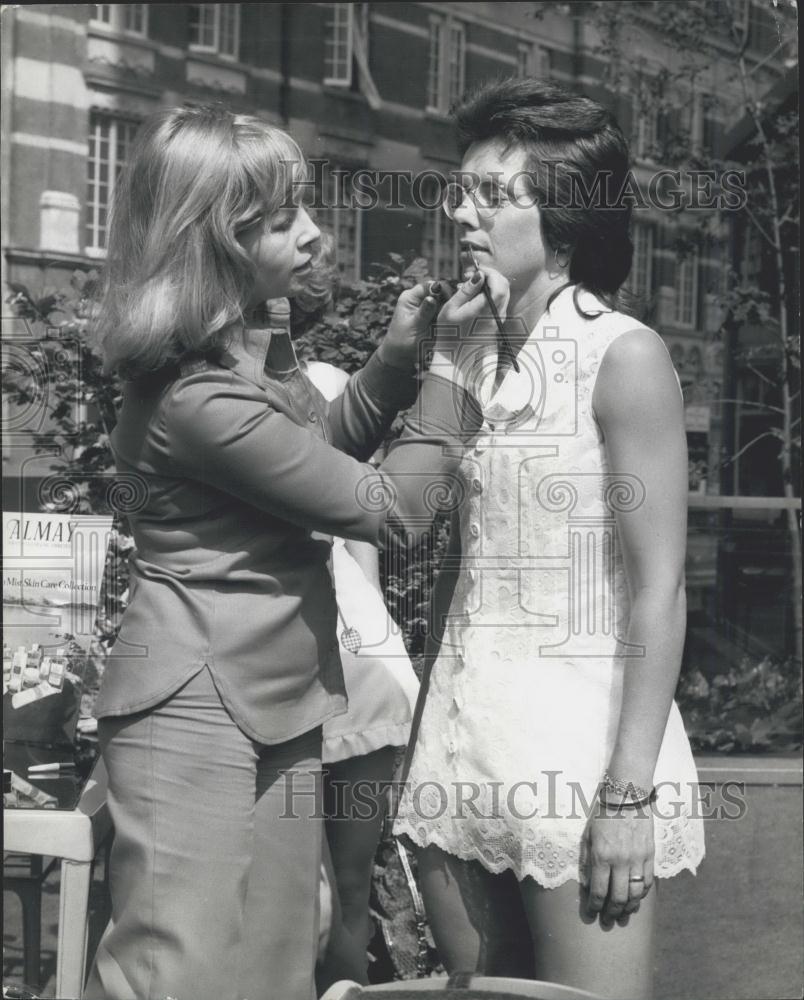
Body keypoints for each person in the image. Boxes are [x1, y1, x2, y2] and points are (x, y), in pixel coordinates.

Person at [83, 105, 505, 1000]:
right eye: (283, 221)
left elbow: (310, 455)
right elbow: (391, 512)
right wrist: (451, 378)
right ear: (216, 244)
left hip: (264, 701)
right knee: (179, 974)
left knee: (276, 967)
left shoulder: (238, 365)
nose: (313, 234)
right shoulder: (198, 397)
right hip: (194, 713)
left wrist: (393, 369)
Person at [394, 78, 706, 999]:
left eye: (495, 194)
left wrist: (627, 794)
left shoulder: (627, 356)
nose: (462, 211)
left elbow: (661, 587)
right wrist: (421, 757)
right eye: (463, 190)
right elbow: (453, 561)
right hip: (458, 758)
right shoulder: (468, 354)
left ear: (565, 219)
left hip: (578, 768)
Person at [304, 358, 419, 992]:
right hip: (288, 652)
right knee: (305, 893)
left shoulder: (324, 380)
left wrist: (373, 630)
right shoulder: (223, 381)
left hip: (356, 666)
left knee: (347, 886)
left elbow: (359, 533)